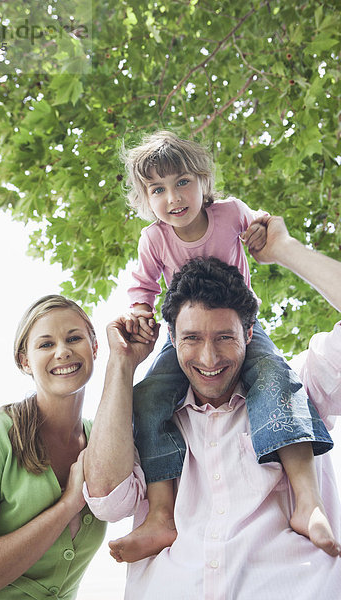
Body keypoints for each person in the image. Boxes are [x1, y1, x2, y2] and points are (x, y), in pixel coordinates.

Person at [83, 216, 341, 600]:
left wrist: (285, 250)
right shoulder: (145, 416)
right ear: (170, 337)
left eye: (224, 337)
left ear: (249, 333)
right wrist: (121, 364)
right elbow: (106, 498)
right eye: (191, 338)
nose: (209, 357)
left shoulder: (300, 384)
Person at [119, 130, 333, 561]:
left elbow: (261, 225)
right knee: (147, 398)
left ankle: (307, 501)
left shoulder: (230, 212)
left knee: (278, 379)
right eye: (158, 189)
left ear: (202, 181)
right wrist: (140, 311)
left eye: (182, 182)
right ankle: (161, 515)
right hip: (182, 335)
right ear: (146, 198)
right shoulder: (154, 239)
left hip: (240, 327)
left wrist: (264, 235)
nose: (173, 197)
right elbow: (141, 287)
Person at [0, 295, 106, 600]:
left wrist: (126, 361)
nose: (63, 351)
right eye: (46, 344)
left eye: (74, 338)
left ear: (94, 347)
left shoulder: (104, 440)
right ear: (25, 360)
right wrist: (68, 504)